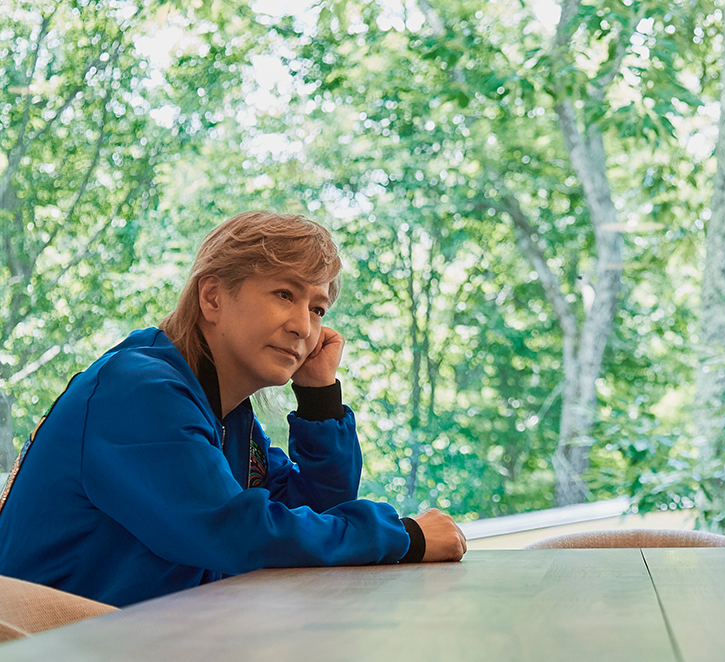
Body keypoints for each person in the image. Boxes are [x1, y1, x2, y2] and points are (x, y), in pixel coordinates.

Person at [0, 211, 466, 607]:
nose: (304, 326)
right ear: (213, 297)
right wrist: (405, 537)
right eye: (285, 294)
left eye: (318, 308)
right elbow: (237, 533)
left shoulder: (226, 413)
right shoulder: (138, 392)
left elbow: (316, 508)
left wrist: (320, 399)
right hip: (56, 643)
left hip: (146, 638)